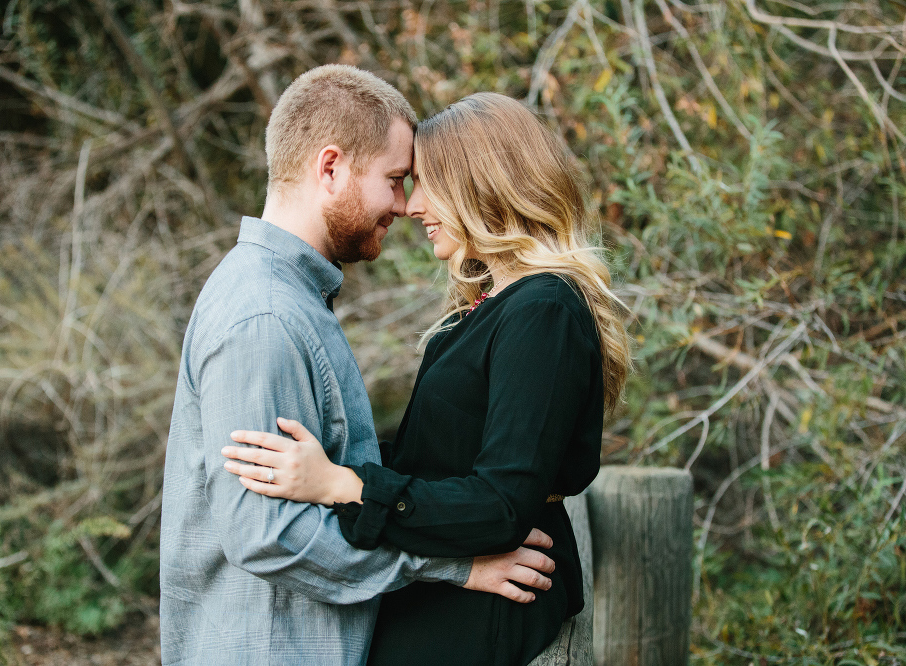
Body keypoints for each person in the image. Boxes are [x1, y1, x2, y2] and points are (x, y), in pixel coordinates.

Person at [160, 68, 557, 665]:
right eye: (395, 180)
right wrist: (452, 565)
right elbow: (267, 535)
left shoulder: (291, 300)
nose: (403, 206)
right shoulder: (263, 318)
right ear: (330, 168)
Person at [221, 92, 633, 665]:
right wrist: (326, 471)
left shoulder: (544, 309)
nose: (412, 206)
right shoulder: (494, 305)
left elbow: (501, 504)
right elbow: (439, 464)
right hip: (447, 603)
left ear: (480, 184)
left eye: (424, 182)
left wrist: (346, 486)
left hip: (482, 616)